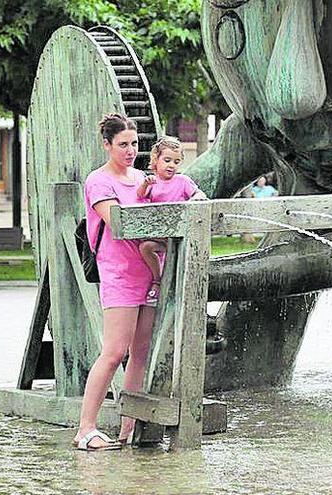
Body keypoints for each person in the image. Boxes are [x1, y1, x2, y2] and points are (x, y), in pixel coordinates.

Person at [73, 113, 156, 451]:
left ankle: (128, 427)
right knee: (113, 351)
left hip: (150, 270)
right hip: (119, 273)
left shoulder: (143, 177)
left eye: (134, 144)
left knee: (140, 352)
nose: (130, 150)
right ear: (107, 145)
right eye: (123, 144)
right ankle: (85, 429)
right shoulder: (98, 181)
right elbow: (119, 222)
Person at [136, 136, 207, 306]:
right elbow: (140, 195)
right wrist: (145, 185)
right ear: (156, 160)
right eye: (167, 160)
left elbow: (199, 193)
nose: (171, 165)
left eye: (176, 162)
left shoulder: (182, 181)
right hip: (161, 235)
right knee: (145, 247)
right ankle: (157, 279)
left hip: (179, 235)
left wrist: (196, 199)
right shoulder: (152, 182)